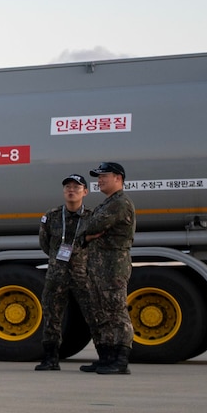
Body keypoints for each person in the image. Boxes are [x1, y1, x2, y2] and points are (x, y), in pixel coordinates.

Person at [74, 161, 137, 375]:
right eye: (98, 177)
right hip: (99, 267)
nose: (99, 181)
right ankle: (107, 357)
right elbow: (83, 231)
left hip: (113, 267)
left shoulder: (119, 203)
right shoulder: (106, 203)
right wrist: (89, 235)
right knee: (101, 313)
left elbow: (91, 226)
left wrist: (89, 233)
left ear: (118, 178)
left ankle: (121, 360)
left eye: (104, 176)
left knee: (117, 312)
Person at [34, 173, 90, 372]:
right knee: (52, 315)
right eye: (67, 187)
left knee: (94, 315)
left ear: (85, 192)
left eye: (77, 187)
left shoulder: (92, 217)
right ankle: (50, 358)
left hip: (84, 275)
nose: (71, 190)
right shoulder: (52, 216)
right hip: (56, 274)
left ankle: (106, 355)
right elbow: (45, 243)